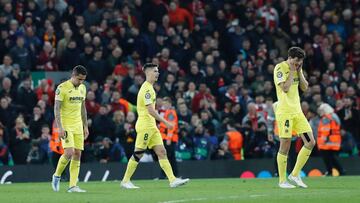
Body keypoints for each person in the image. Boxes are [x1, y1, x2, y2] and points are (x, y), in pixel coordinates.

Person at [121, 63, 189, 189]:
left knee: (162, 152)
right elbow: (150, 111)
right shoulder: (147, 89)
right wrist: (166, 122)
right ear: (148, 73)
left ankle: (172, 179)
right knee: (139, 153)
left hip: (152, 126)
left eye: (157, 71)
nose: (157, 73)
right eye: (155, 71)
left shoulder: (150, 88)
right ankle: (125, 181)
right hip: (145, 125)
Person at [273, 47, 316, 189]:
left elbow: (304, 87)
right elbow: (285, 88)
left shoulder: (297, 69)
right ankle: (282, 181)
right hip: (285, 112)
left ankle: (295, 175)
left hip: (297, 112)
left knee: (310, 142)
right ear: (290, 58)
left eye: (300, 62)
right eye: (296, 61)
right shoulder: (280, 68)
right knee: (285, 144)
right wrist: (292, 71)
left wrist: (299, 71)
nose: (297, 64)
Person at [51, 65, 88, 193]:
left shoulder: (82, 88)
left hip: (78, 125)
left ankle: (73, 186)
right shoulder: (62, 88)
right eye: (79, 79)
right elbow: (56, 108)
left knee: (78, 154)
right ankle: (56, 176)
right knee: (69, 152)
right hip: (66, 124)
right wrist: (59, 127)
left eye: (83, 80)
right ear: (73, 75)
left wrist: (85, 126)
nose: (81, 82)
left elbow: (83, 108)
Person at [317, 103, 344, 176]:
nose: (320, 112)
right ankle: (340, 170)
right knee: (331, 158)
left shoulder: (326, 118)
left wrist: (322, 141)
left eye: (321, 110)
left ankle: (330, 171)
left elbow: (325, 129)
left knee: (327, 158)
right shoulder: (334, 116)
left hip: (327, 142)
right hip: (334, 141)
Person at [159, 97, 179, 178]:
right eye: (164, 104)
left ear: (170, 104)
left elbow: (171, 126)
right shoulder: (166, 112)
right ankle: (172, 175)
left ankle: (168, 175)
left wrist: (168, 139)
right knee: (168, 157)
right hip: (165, 137)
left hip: (169, 138)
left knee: (168, 157)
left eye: (166, 103)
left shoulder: (171, 113)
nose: (164, 105)